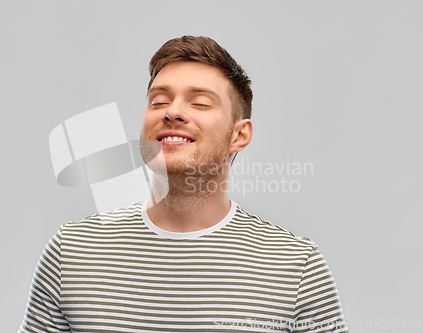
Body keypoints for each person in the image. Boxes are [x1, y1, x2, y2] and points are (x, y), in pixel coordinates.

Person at [19, 36, 348, 333]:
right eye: (158, 101)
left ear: (239, 135)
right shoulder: (71, 253)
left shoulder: (296, 266)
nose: (173, 111)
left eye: (200, 103)